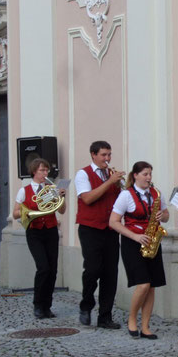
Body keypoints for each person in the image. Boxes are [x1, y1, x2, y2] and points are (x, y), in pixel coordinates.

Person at [109, 161, 169, 340]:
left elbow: (166, 216)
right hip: (132, 243)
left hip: (152, 242)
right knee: (142, 284)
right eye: (145, 174)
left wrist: (162, 215)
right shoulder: (126, 196)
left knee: (151, 287)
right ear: (135, 175)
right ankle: (132, 319)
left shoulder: (156, 193)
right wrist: (135, 236)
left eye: (150, 174)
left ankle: (145, 326)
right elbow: (113, 222)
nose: (149, 178)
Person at [75, 140, 124, 329]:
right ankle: (86, 305)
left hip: (110, 229)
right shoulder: (83, 174)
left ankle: (105, 317)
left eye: (109, 154)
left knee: (110, 274)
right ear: (93, 155)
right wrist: (109, 182)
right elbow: (87, 198)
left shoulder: (110, 174)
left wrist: (122, 187)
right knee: (93, 269)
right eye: (103, 155)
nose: (107, 159)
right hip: (90, 228)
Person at [12, 158, 67, 319]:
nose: (45, 173)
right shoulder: (25, 190)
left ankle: (47, 306)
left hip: (50, 231)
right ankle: (38, 304)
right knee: (43, 268)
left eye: (47, 170)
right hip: (34, 231)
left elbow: (62, 211)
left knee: (53, 270)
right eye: (42, 170)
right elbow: (16, 212)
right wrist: (29, 211)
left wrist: (62, 196)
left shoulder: (52, 188)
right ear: (34, 171)